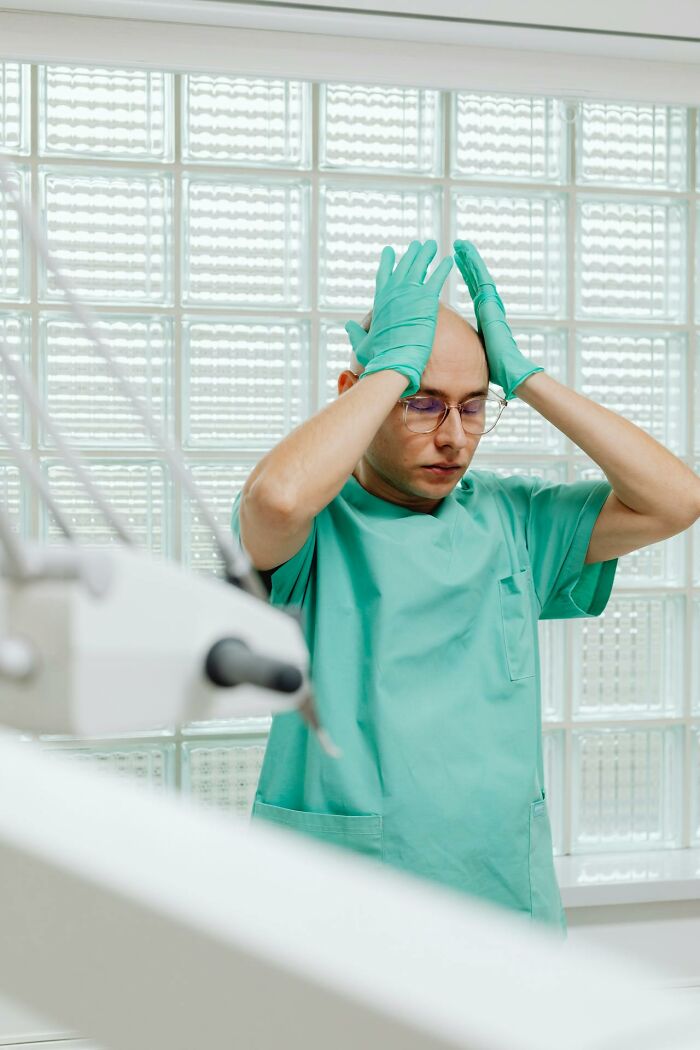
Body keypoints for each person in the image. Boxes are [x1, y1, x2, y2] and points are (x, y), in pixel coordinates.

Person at [231, 238, 699, 935]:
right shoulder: (317, 530)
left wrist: (529, 378)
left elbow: (676, 499)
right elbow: (274, 502)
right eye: (423, 404)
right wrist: (390, 369)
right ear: (356, 395)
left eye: (473, 406)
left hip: (500, 888)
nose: (453, 437)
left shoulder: (515, 518)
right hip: (346, 898)